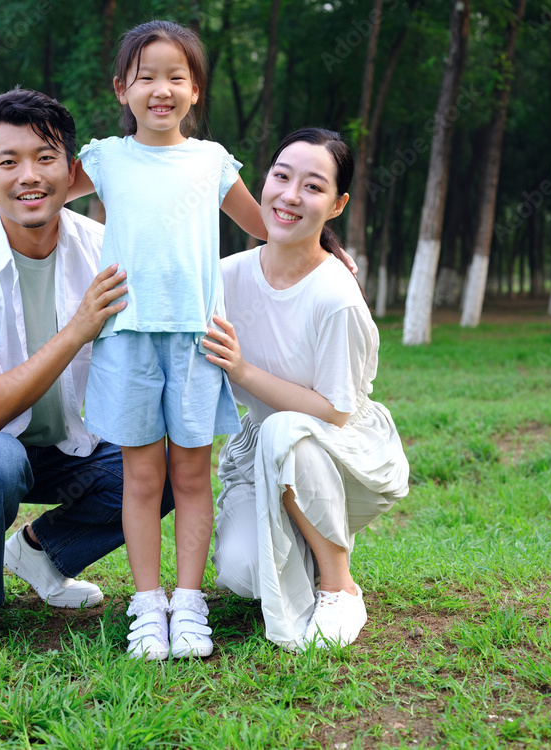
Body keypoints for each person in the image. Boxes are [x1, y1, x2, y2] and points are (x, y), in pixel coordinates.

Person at [0, 88, 174, 650]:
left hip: (65, 448)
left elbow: (179, 275)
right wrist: (77, 329)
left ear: (71, 172)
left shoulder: (100, 249)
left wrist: (310, 251)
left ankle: (41, 555)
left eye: (45, 159)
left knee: (163, 462)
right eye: (9, 162)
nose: (29, 175)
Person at [68, 20, 268, 660]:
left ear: (195, 90)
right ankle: (147, 605)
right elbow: (34, 196)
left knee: (191, 475)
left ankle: (189, 604)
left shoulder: (212, 161)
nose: (161, 89)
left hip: (196, 343)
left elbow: (267, 225)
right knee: (141, 478)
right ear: (121, 88)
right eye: (146, 77)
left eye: (175, 77)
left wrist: (328, 246)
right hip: (126, 338)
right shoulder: (103, 158)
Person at [203, 128, 410, 651]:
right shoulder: (226, 278)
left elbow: (334, 413)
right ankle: (301, 524)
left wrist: (245, 373)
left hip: (339, 454)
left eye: (313, 187)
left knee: (287, 429)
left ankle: (338, 584)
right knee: (243, 575)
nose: (291, 195)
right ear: (264, 183)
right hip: (265, 450)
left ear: (337, 204)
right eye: (281, 176)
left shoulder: (335, 295)